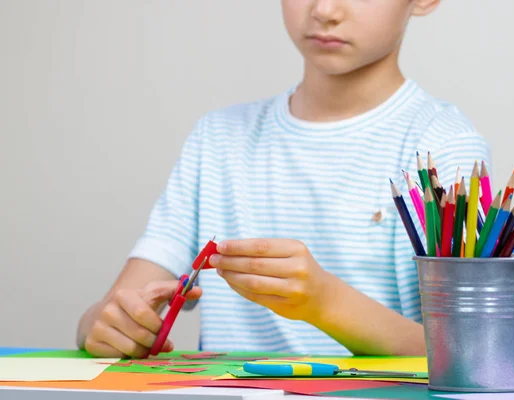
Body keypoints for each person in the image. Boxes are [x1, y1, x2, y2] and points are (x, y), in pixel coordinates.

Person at [77, 0, 491, 358]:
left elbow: (469, 353)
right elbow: (115, 309)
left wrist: (325, 301)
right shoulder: (218, 139)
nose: (325, 11)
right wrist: (104, 325)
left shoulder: (445, 150)